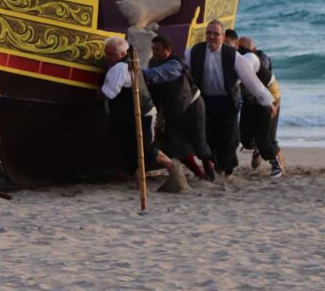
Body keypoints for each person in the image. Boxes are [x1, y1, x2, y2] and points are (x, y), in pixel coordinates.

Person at [185, 20, 277, 179]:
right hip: (205, 101)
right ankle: (214, 168)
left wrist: (266, 101)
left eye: (216, 34)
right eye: (209, 33)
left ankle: (227, 170)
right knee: (208, 137)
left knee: (229, 140)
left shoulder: (233, 56)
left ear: (222, 37)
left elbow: (251, 80)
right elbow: (181, 70)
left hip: (227, 102)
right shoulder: (193, 52)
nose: (212, 37)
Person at [100, 37, 176, 177]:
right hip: (128, 115)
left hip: (142, 114)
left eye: (111, 55)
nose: (108, 58)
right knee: (132, 149)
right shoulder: (121, 65)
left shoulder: (121, 67)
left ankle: (172, 168)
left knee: (146, 150)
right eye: (107, 54)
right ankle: (139, 176)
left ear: (122, 54)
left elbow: (108, 93)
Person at [142, 34, 215, 181]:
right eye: (153, 49)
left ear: (168, 50)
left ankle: (209, 170)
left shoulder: (175, 64)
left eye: (157, 49)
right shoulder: (153, 62)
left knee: (200, 142)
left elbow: (158, 75)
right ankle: (200, 175)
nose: (154, 52)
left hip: (192, 105)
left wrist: (136, 71)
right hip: (173, 109)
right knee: (177, 146)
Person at [237, 36, 284, 174]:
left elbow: (254, 77)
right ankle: (257, 147)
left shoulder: (261, 58)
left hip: (269, 98)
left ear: (253, 50)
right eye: (239, 49)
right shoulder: (239, 59)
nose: (241, 52)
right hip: (250, 99)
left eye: (244, 49)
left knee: (268, 139)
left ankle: (280, 168)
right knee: (244, 138)